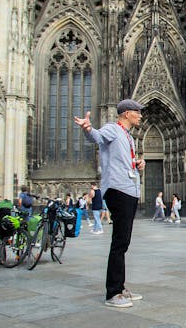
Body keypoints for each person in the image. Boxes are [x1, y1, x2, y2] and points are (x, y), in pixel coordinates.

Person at [74, 99, 146, 308]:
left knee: (123, 242)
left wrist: (136, 163)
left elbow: (122, 162)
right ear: (125, 114)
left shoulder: (128, 138)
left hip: (129, 188)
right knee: (119, 242)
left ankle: (120, 288)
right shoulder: (113, 129)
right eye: (137, 112)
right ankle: (113, 292)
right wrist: (87, 129)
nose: (140, 115)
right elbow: (96, 136)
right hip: (118, 189)